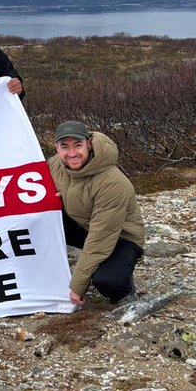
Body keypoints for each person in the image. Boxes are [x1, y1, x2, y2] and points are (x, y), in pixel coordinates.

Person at [48, 121, 144, 306]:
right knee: (42, 216)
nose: (72, 153)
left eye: (78, 145)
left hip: (121, 238)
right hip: (86, 226)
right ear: (56, 148)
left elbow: (100, 238)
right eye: (65, 147)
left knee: (107, 281)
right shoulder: (55, 165)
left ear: (89, 143)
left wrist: (78, 285)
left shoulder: (112, 183)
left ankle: (125, 290)